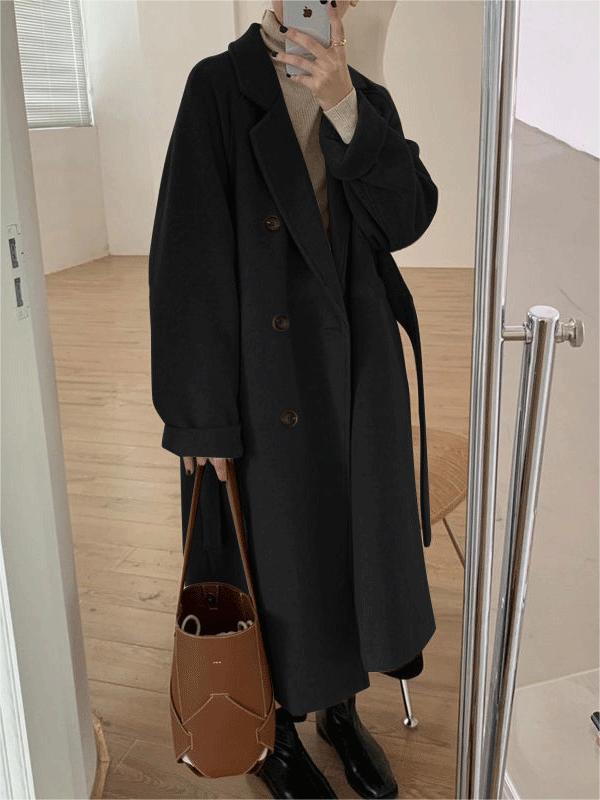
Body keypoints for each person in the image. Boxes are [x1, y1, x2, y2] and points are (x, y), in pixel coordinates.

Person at [149, 1, 438, 797]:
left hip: (356, 366)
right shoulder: (218, 87)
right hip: (264, 372)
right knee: (279, 559)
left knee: (354, 544)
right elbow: (186, 258)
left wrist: (344, 105)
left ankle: (341, 709)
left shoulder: (365, 97)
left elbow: (408, 217)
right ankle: (276, 732)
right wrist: (200, 415)